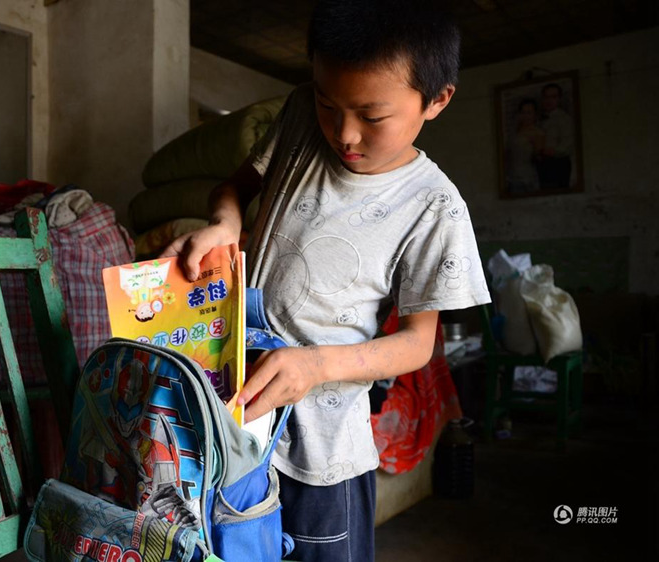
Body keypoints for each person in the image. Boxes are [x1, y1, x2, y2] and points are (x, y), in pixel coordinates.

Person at [162, 1, 491, 560]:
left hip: (323, 452)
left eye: (372, 115)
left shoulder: (435, 206)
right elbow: (233, 188)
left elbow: (417, 343)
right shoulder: (297, 116)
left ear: (437, 100)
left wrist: (315, 366)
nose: (344, 133)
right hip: (235, 423)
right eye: (326, 102)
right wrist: (224, 225)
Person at [537, 82, 574, 189]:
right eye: (546, 97)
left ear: (559, 99)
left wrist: (552, 151)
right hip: (543, 163)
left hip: (558, 163)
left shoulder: (565, 119)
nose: (549, 100)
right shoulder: (540, 120)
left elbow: (568, 144)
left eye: (553, 97)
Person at [506, 98, 546, 194]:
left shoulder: (537, 133)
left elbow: (539, 158)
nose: (526, 116)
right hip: (513, 177)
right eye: (523, 113)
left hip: (528, 179)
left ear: (534, 114)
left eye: (529, 113)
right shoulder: (515, 132)